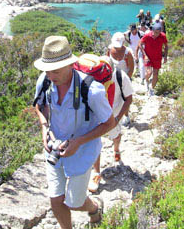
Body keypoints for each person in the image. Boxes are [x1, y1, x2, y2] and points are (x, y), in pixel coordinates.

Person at [33, 36, 116, 229]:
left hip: (83, 152)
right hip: (55, 150)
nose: (51, 75)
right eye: (48, 70)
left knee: (75, 202)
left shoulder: (91, 91)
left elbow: (109, 122)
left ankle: (94, 207)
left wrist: (78, 142)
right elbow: (40, 105)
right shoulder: (45, 81)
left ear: (70, 65)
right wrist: (44, 127)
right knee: (56, 200)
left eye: (56, 70)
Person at [88, 62, 133, 193]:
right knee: (96, 140)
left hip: (114, 111)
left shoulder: (121, 76)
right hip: (97, 112)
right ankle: (96, 173)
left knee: (115, 135)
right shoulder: (93, 75)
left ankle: (116, 148)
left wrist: (118, 118)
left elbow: (129, 99)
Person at [136, 22, 168, 96]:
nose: (156, 34)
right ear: (152, 31)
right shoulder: (147, 36)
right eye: (155, 32)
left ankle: (151, 89)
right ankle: (146, 80)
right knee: (149, 73)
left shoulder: (162, 36)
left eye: (158, 32)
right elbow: (140, 44)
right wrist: (144, 55)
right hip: (148, 57)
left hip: (157, 58)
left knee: (156, 74)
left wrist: (165, 57)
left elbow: (166, 46)